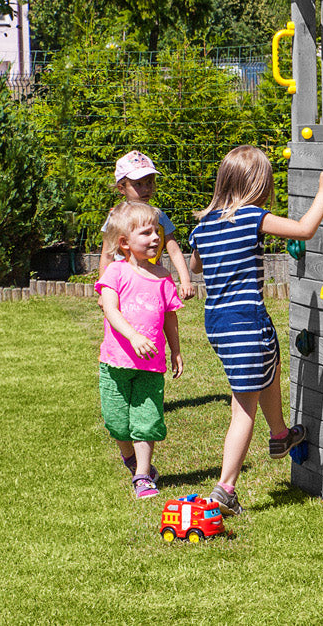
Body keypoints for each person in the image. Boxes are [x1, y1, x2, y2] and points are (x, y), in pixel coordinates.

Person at [190, 146, 323, 516]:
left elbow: (196, 267)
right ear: (258, 185)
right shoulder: (252, 216)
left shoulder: (203, 225)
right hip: (246, 318)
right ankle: (225, 488)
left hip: (218, 323)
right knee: (243, 408)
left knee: (267, 369)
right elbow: (303, 230)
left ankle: (280, 435)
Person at [95, 200, 184, 499]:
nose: (156, 238)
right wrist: (133, 336)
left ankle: (143, 475)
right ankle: (130, 459)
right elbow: (110, 309)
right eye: (146, 233)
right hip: (115, 362)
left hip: (150, 365)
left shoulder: (162, 277)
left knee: (146, 421)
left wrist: (175, 351)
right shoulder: (115, 273)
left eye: (156, 231)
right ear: (124, 243)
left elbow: (170, 316)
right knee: (117, 423)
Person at [114, 150, 194, 301]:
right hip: (123, 282)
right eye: (138, 184)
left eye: (149, 182)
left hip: (152, 278)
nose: (146, 188)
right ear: (121, 188)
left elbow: (174, 250)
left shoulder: (158, 215)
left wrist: (185, 280)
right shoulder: (116, 217)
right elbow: (106, 253)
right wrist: (104, 290)